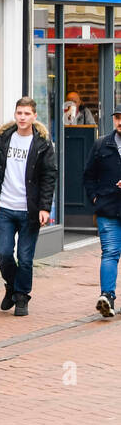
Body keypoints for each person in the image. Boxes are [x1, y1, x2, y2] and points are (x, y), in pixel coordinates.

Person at [0, 97, 56, 317]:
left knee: (25, 258)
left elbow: (49, 177)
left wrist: (45, 208)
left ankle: (22, 296)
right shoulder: (3, 140)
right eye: (19, 113)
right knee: (4, 253)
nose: (22, 117)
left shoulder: (42, 144)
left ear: (34, 116)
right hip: (5, 208)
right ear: (15, 115)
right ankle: (12, 286)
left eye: (27, 114)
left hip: (29, 211)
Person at [82, 110, 121, 318]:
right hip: (108, 208)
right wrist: (95, 198)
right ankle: (107, 297)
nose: (120, 122)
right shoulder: (101, 144)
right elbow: (88, 175)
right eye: (118, 118)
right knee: (110, 252)